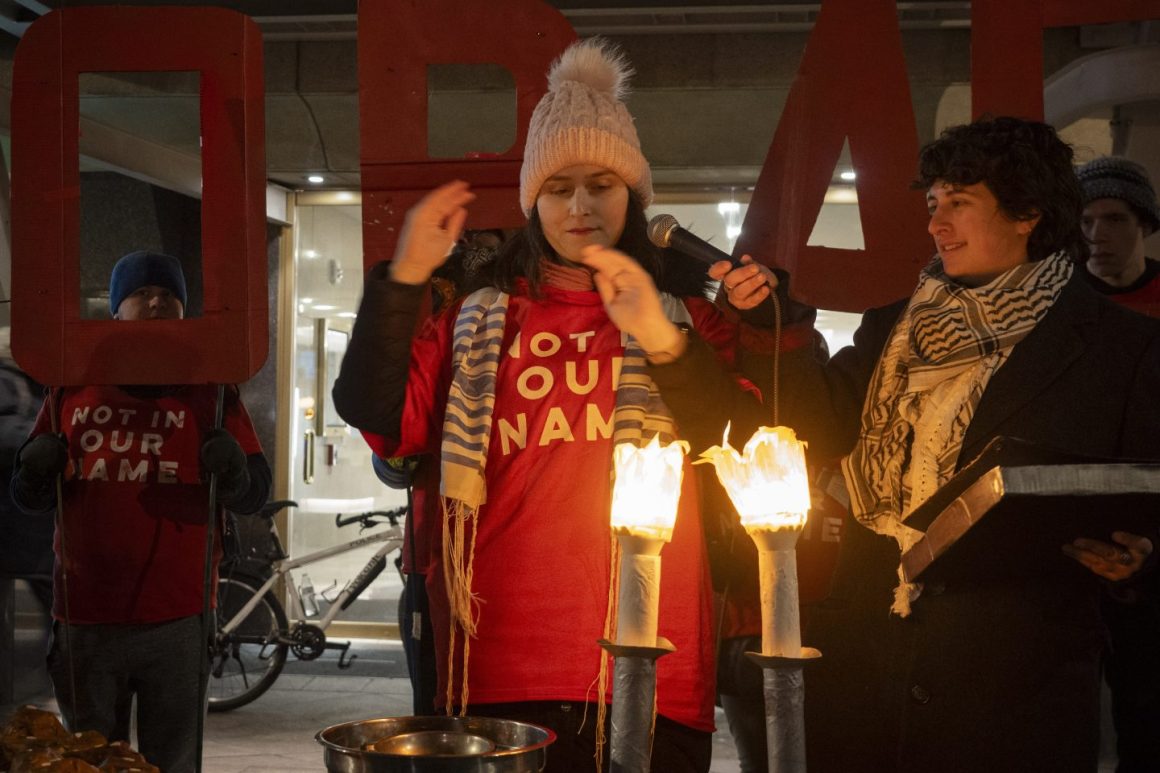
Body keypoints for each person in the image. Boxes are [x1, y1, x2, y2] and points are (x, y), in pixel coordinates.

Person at [582, 116, 1160, 772]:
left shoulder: (1121, 348)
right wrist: (773, 321)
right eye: (933, 204)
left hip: (1012, 689)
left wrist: (1142, 560)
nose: (937, 224)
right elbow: (805, 427)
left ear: (1028, 212)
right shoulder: (895, 329)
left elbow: (1144, 500)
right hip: (865, 677)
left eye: (959, 203)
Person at [333, 39, 767, 773]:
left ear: (634, 196)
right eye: (559, 187)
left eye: (602, 183)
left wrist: (664, 339)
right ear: (533, 203)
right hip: (498, 662)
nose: (581, 205)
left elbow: (741, 445)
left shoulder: (689, 317)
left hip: (654, 659)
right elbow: (376, 411)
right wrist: (404, 280)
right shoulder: (476, 318)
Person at [9, 250, 271, 773]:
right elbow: (29, 497)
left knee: (172, 761)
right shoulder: (71, 385)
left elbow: (255, 494)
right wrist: (34, 470)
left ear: (185, 312)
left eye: (168, 295)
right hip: (86, 614)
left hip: (177, 617)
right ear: (115, 310)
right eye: (141, 294)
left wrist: (234, 471)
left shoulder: (210, 389)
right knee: (88, 761)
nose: (155, 302)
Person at [1075, 156, 1160, 315]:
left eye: (1114, 220)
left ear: (1146, 226)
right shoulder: (1056, 295)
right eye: (1086, 222)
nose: (1096, 237)